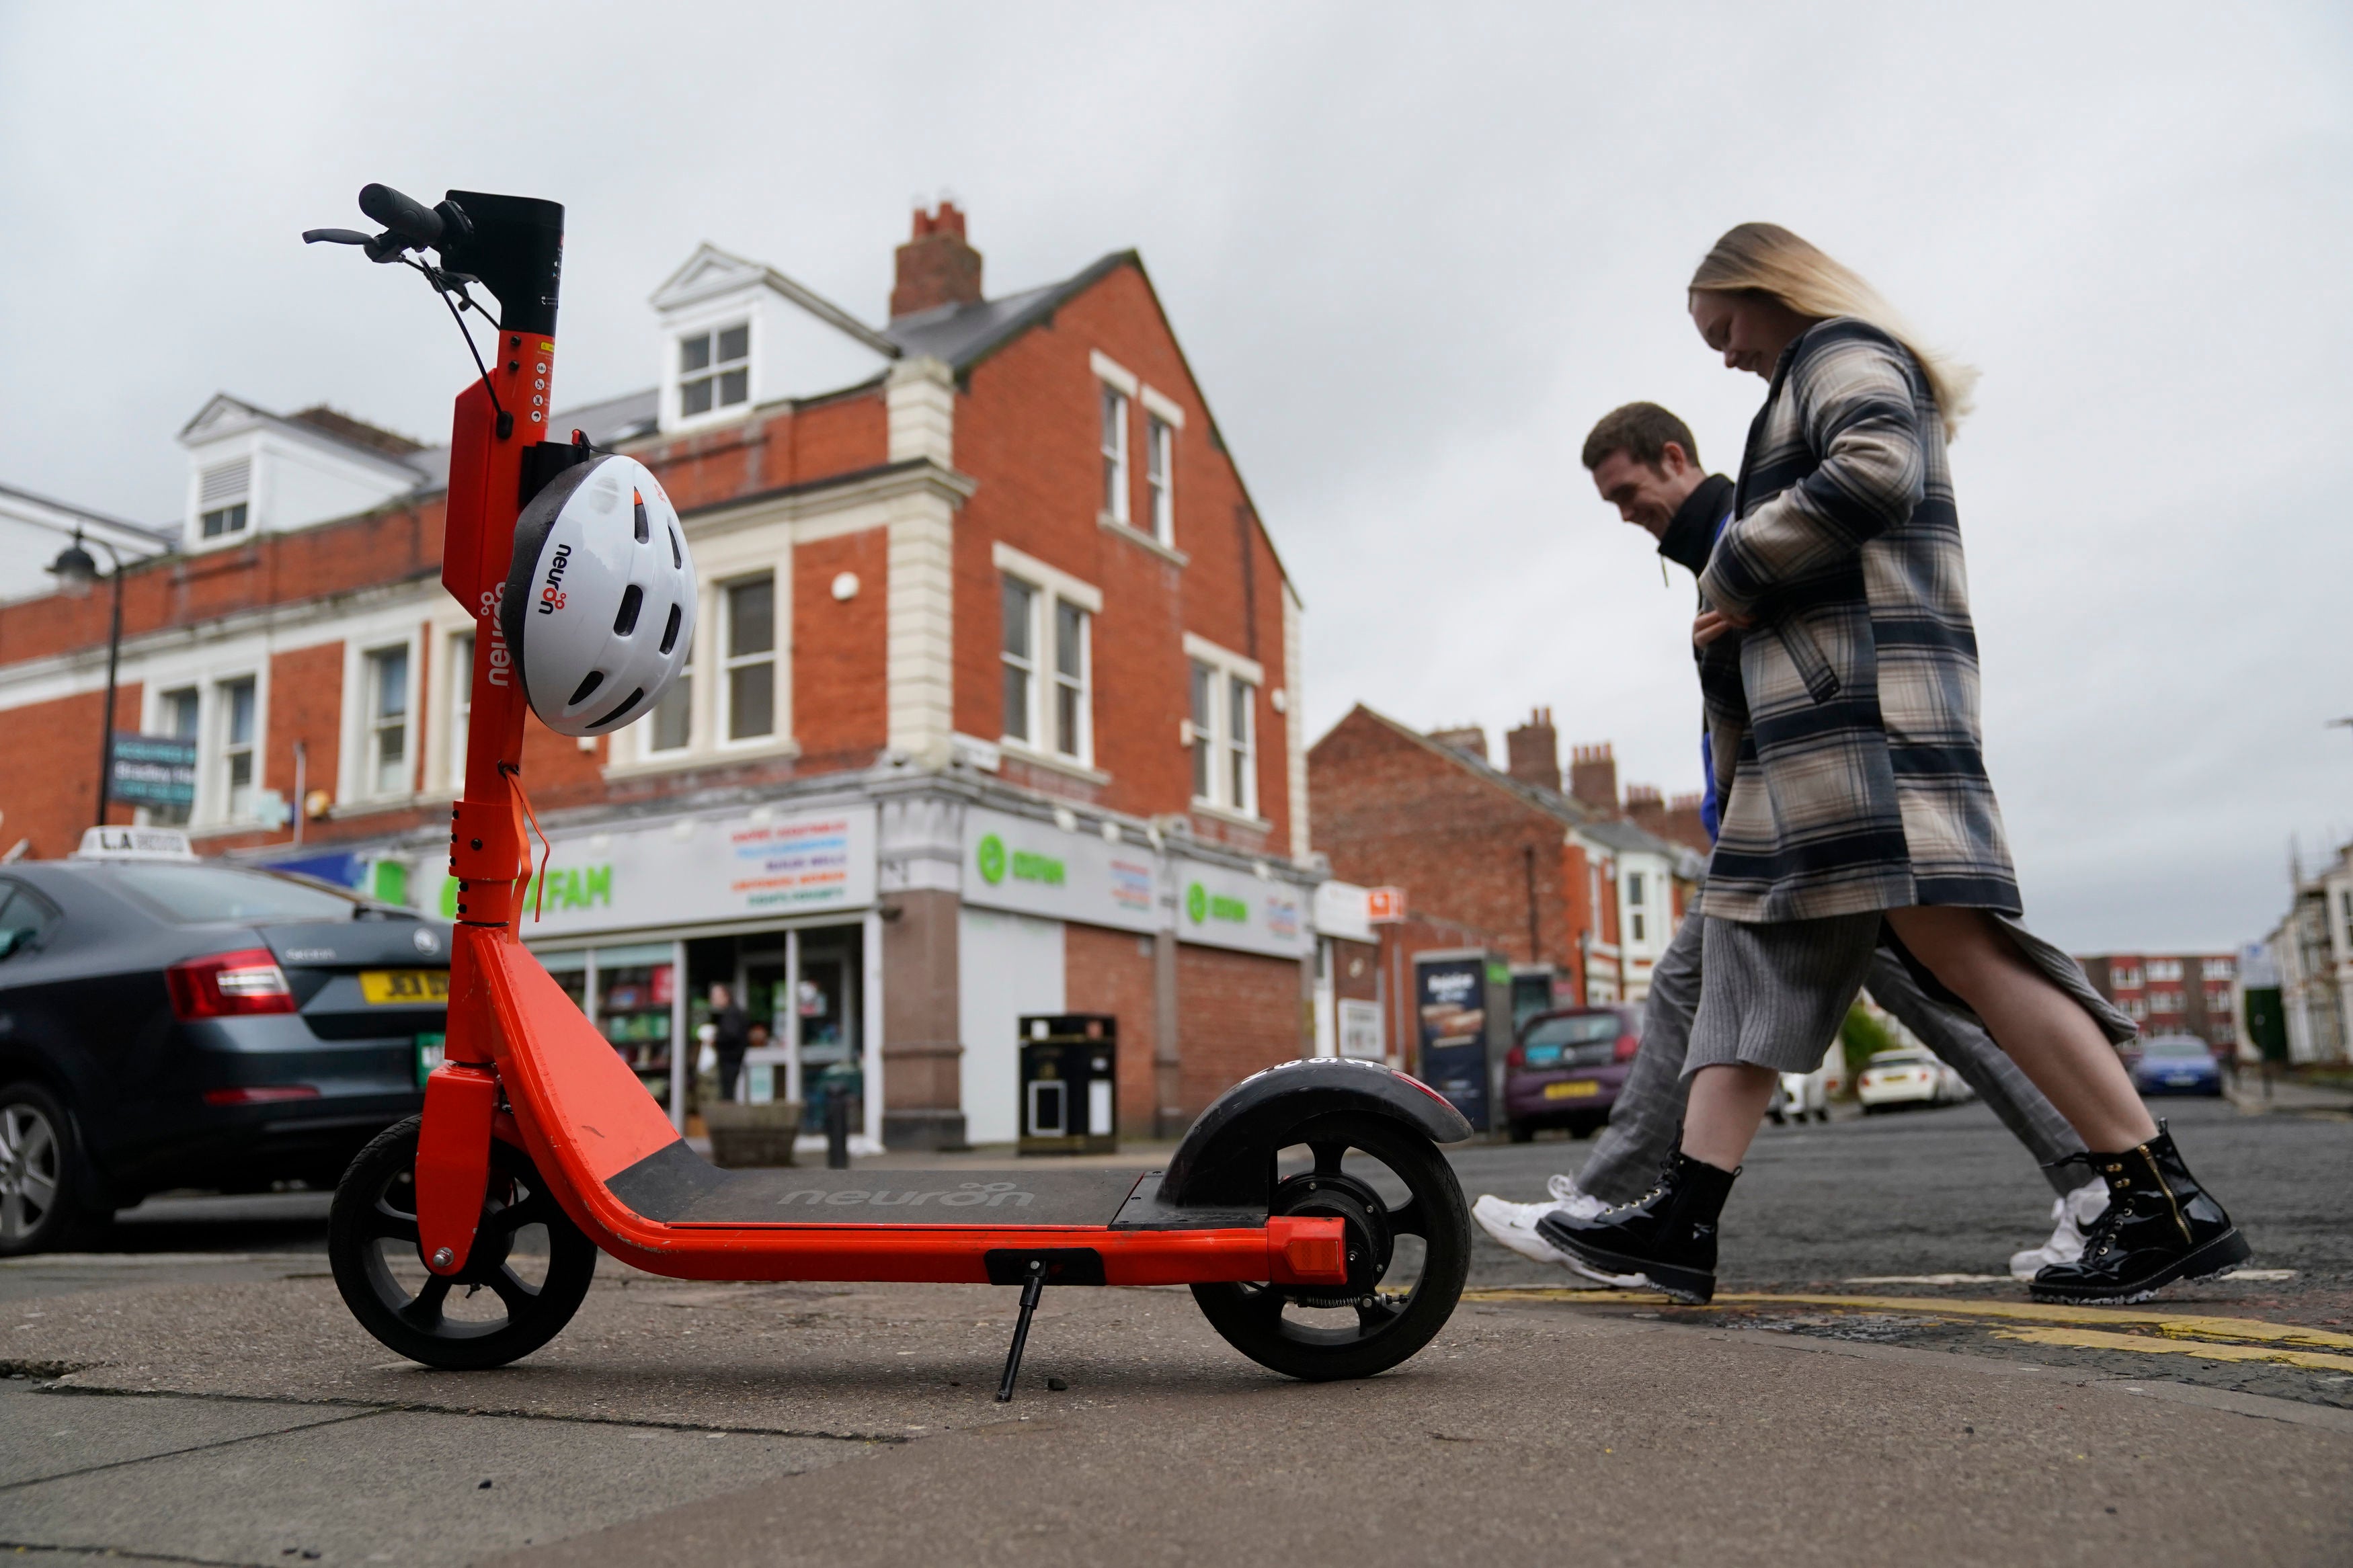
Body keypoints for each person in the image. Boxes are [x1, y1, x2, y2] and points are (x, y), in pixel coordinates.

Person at [1538, 224, 2249, 1307]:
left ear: (1770, 291)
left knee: (1965, 956)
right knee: (1746, 955)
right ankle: (1685, 1212)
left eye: (1725, 330)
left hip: (1868, 718)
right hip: (1822, 730)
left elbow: (1876, 470)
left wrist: (1733, 564)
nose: (1724, 355)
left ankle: (2158, 1195)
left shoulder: (1843, 353)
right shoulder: (1808, 374)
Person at [1472, 403, 2107, 1285]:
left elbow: (1815, 655)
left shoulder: (1748, 529)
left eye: (1627, 492)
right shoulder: (1713, 550)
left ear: (1673, 456)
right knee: (1928, 1005)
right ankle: (2100, 1183)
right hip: (1782, 824)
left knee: (1740, 992)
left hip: (1808, 822)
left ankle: (1612, 1211)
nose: (1624, 514)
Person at [708, 982, 750, 1103]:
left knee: (727, 1091)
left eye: (716, 997)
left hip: (730, 1059)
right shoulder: (733, 1013)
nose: (713, 1000)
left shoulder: (731, 1014)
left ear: (726, 996)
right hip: (732, 1058)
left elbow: (731, 1034)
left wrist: (716, 1040)